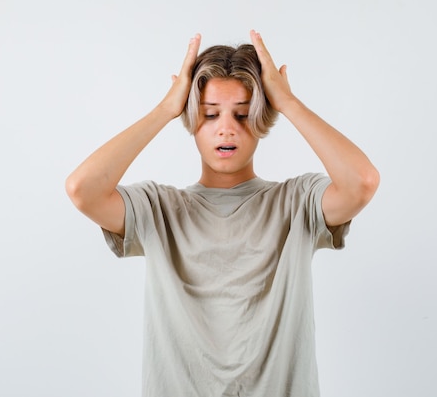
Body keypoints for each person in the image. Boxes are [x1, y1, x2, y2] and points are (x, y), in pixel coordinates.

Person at [65, 30, 379, 397]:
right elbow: (81, 189)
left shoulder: (297, 203)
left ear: (263, 117)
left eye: (243, 115)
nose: (226, 128)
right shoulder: (159, 210)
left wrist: (289, 102)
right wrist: (165, 109)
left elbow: (362, 182)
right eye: (211, 114)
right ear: (192, 118)